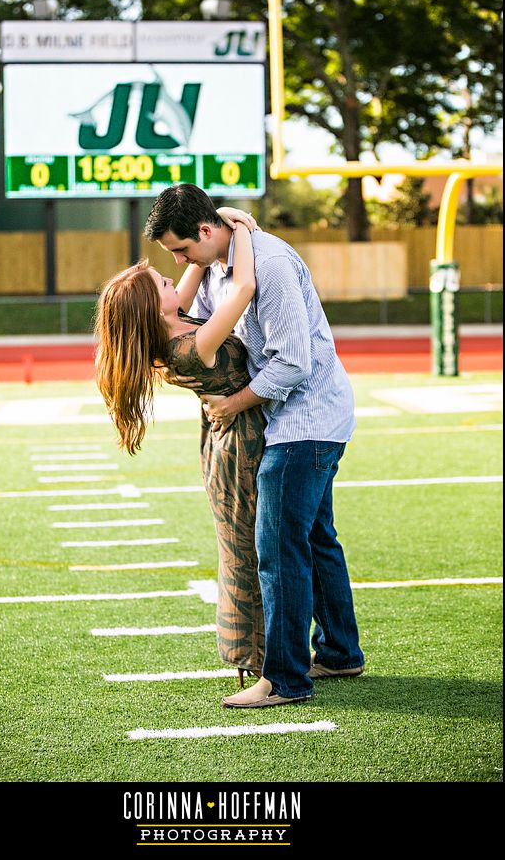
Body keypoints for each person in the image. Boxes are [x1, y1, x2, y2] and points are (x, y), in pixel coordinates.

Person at [144, 183, 364, 709]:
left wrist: (234, 403)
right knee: (314, 538)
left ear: (203, 232)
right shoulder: (224, 261)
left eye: (181, 250)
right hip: (293, 419)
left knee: (278, 552)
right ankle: (339, 651)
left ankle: (286, 679)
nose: (179, 263)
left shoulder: (269, 263)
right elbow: (190, 311)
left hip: (302, 422)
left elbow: (293, 363)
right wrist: (233, 224)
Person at [94, 208, 266, 686]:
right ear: (156, 307)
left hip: (224, 440)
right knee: (246, 552)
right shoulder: (191, 345)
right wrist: (243, 231)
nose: (173, 278)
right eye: (161, 283)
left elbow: (196, 268)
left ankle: (250, 653)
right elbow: (244, 290)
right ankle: (253, 656)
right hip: (239, 445)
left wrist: (207, 238)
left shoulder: (166, 333)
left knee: (240, 549)